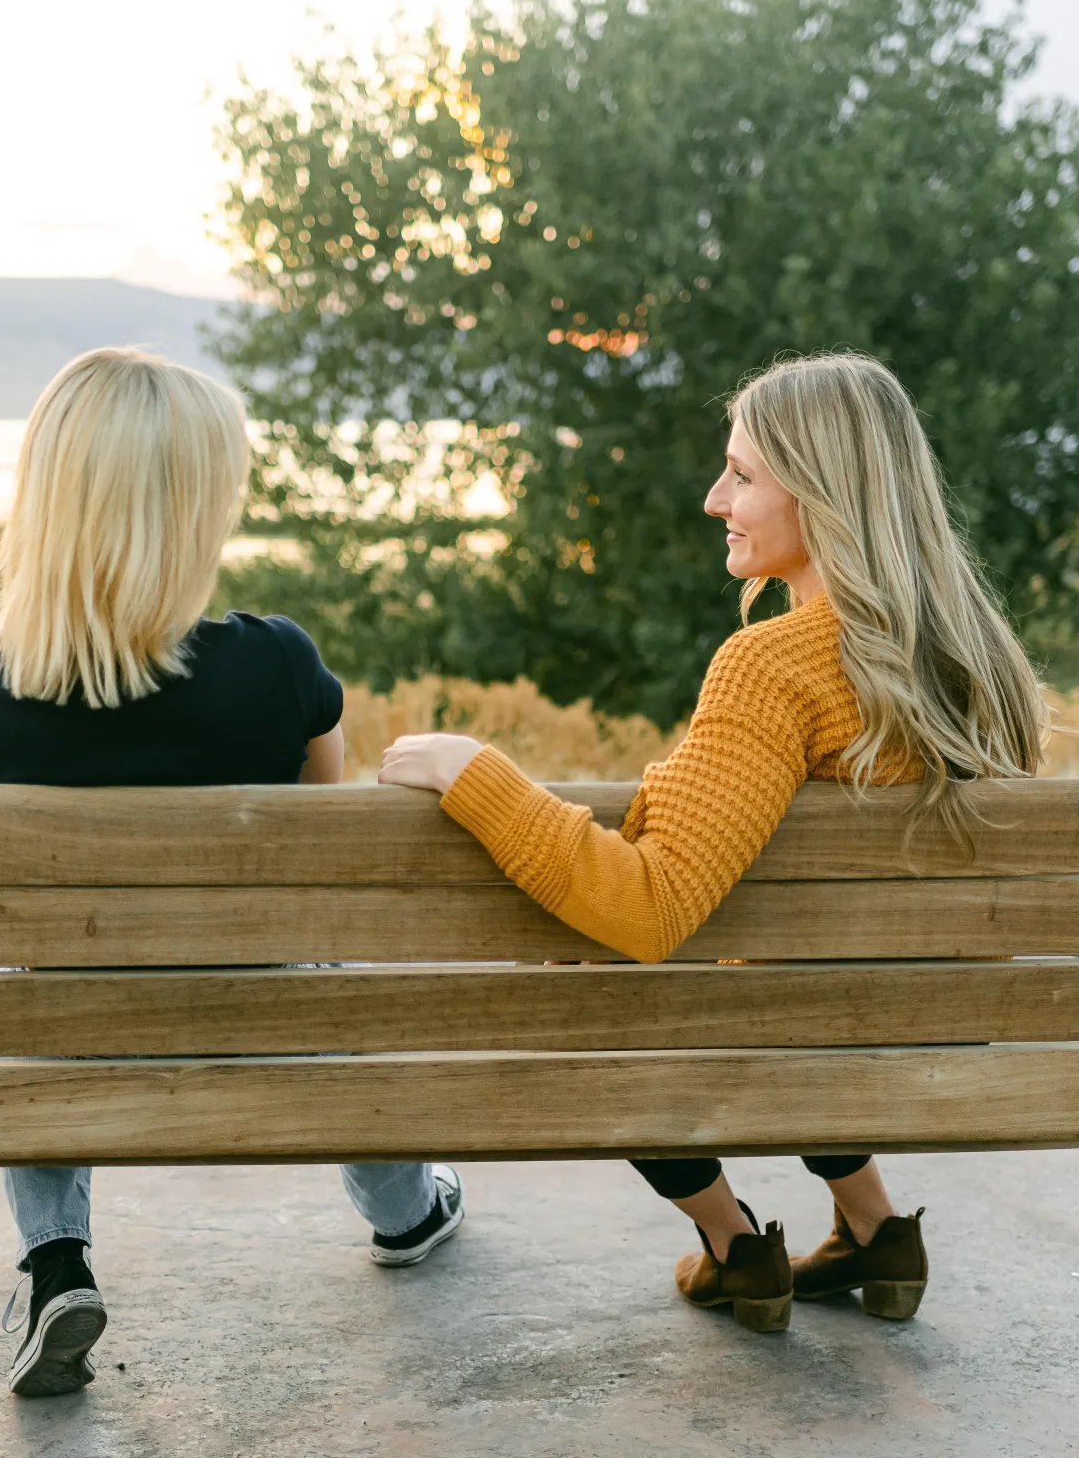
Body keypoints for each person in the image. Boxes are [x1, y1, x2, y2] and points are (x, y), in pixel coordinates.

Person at [378, 351, 1047, 1333]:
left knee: (593, 995)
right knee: (803, 983)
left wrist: (476, 772)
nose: (713, 499)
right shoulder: (978, 657)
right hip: (933, 1038)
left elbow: (649, 908)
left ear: (819, 491)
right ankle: (875, 1229)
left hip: (795, 1039)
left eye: (740, 474)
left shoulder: (774, 667)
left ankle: (736, 1248)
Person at [0, 348, 464, 1399]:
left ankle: (56, 1264)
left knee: (19, 989)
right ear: (194, 511)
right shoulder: (279, 665)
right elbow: (322, 855)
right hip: (263, 1014)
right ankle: (405, 1211)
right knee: (332, 976)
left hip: (69, 1036)